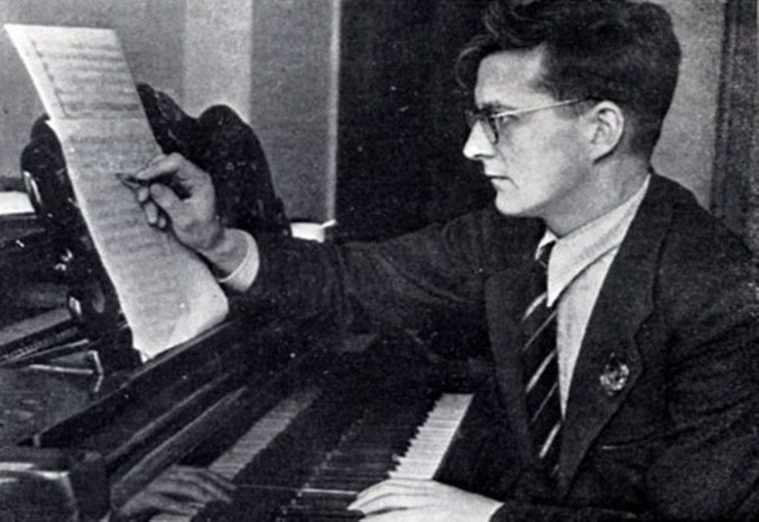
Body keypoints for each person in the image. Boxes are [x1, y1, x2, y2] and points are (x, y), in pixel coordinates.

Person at [128, 0, 759, 519]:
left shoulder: (722, 298)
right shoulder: (504, 238)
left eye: (500, 119)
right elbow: (356, 280)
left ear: (601, 130)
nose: (472, 147)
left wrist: (485, 518)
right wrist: (216, 241)